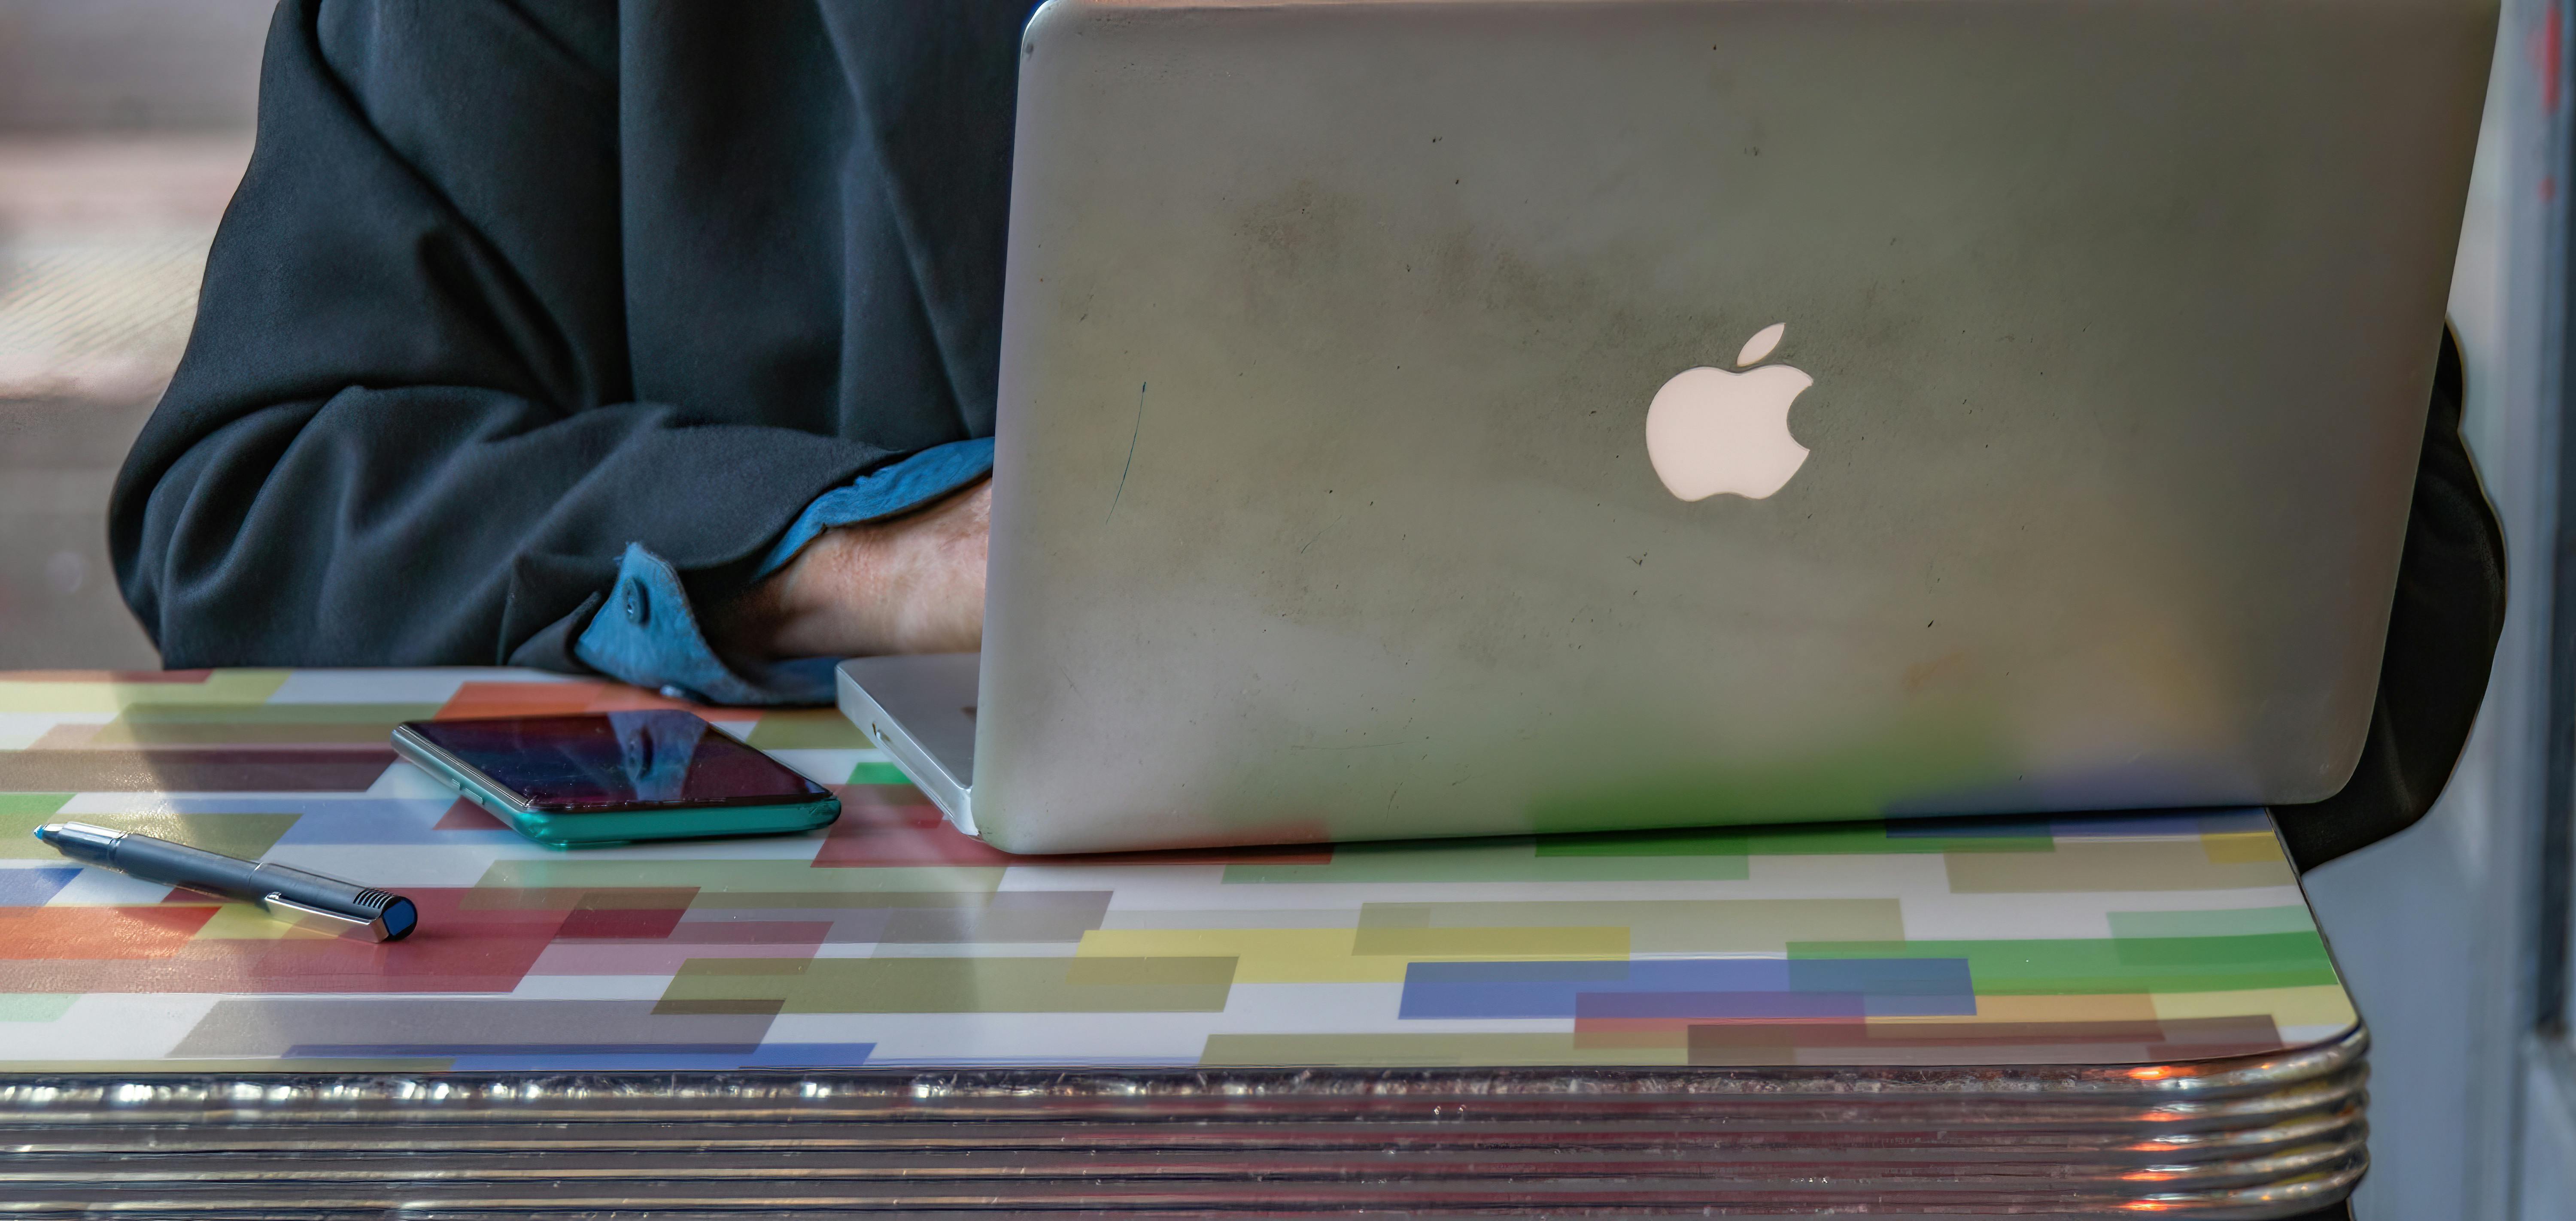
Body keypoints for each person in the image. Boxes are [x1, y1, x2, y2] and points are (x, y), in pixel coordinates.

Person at [114, 0, 2501, 1030]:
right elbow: (265, 492)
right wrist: (886, 555)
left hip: (1802, 1103)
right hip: (910, 1140)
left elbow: (2381, 612)